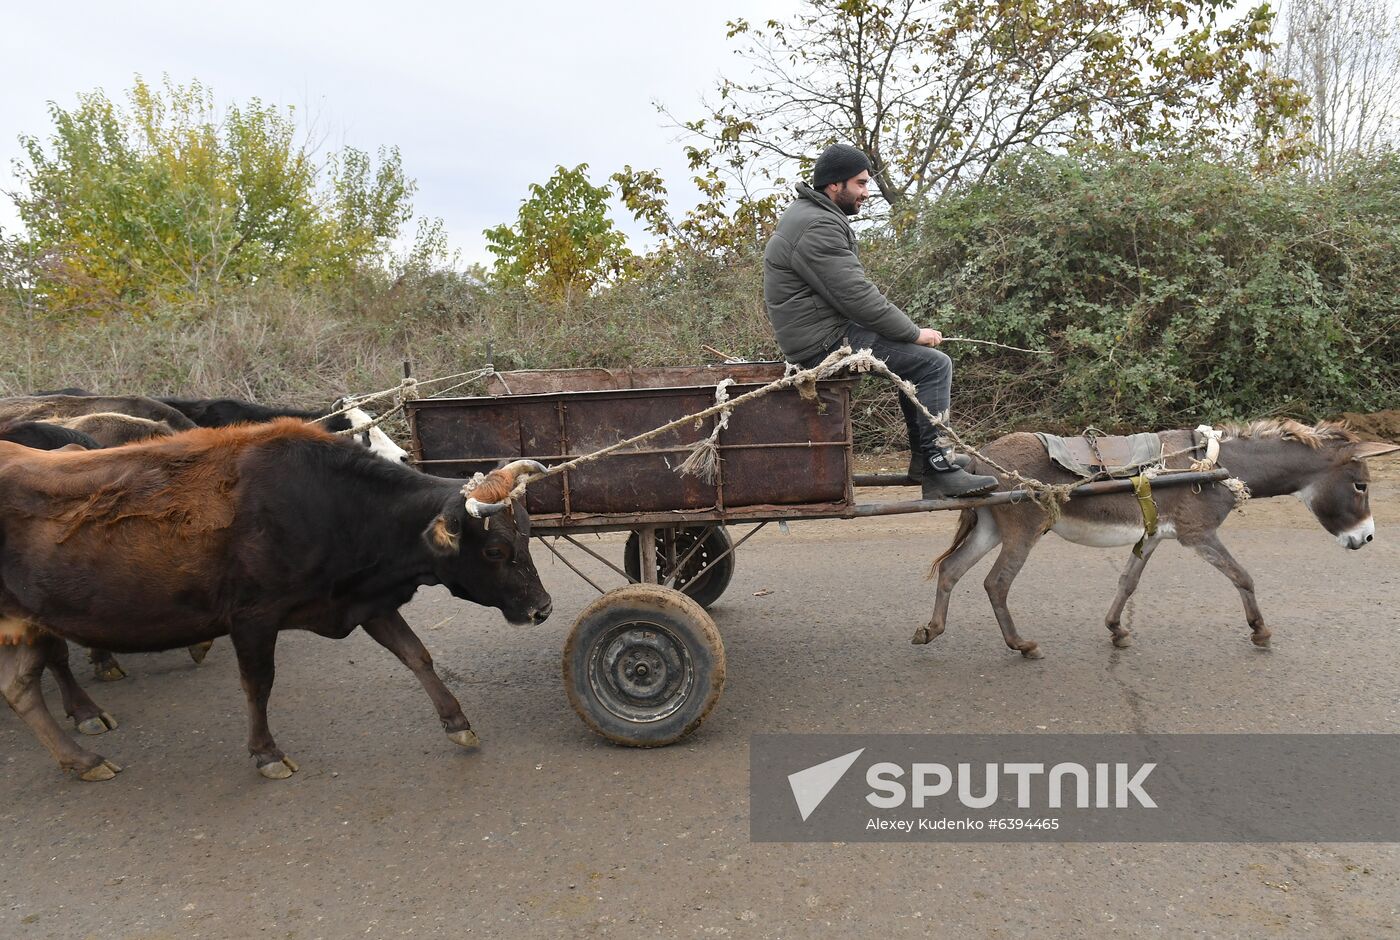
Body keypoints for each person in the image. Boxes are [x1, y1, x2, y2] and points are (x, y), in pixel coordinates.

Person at [762, 143, 998, 499]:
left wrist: (905, 334)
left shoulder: (813, 215)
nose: (866, 193)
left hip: (823, 332)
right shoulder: (817, 225)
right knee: (933, 365)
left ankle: (925, 460)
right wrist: (913, 333)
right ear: (833, 186)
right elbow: (857, 297)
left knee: (915, 365)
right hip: (823, 343)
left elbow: (851, 296)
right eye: (860, 184)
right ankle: (938, 469)